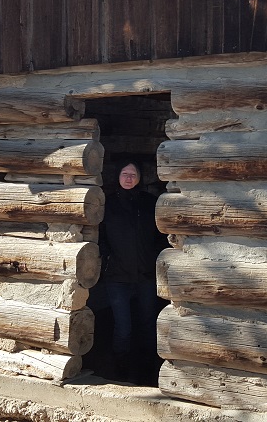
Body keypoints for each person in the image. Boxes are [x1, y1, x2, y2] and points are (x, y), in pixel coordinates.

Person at [98, 160, 166, 384]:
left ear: (139, 178)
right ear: (117, 176)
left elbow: (161, 235)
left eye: (133, 174)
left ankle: (147, 366)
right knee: (123, 325)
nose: (128, 178)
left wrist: (153, 258)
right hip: (117, 275)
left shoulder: (149, 203)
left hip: (145, 273)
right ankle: (120, 366)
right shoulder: (107, 204)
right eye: (124, 173)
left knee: (148, 320)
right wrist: (107, 257)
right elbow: (100, 235)